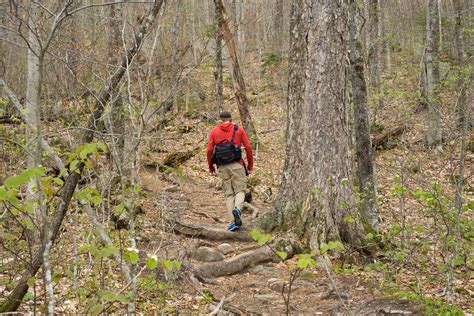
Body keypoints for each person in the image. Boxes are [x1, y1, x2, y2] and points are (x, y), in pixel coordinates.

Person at [207, 111, 253, 231]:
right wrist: (250, 166)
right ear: (231, 119)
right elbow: (248, 147)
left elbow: (209, 150)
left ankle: (233, 222)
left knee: (229, 194)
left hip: (222, 166)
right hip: (237, 164)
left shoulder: (214, 131)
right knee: (240, 190)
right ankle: (237, 209)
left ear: (220, 120)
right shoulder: (238, 130)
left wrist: (211, 167)